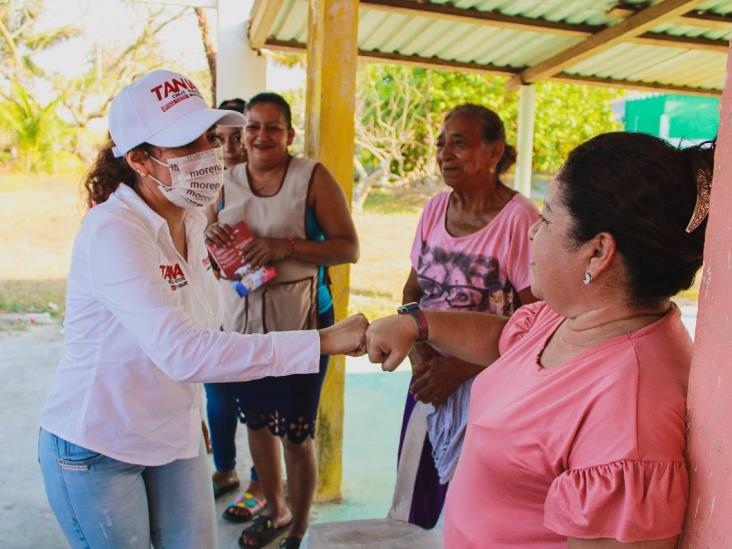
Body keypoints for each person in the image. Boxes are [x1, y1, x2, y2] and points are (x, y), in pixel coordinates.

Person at [37, 69, 367, 549]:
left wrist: (189, 411)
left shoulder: (193, 221)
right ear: (139, 160)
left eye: (206, 138)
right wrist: (322, 340)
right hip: (98, 446)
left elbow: (199, 323)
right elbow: (185, 351)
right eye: (184, 145)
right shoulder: (114, 232)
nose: (207, 156)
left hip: (171, 435)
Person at [366, 131, 713, 547]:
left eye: (547, 218)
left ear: (598, 252)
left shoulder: (628, 414)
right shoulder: (573, 317)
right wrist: (417, 324)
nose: (532, 232)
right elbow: (508, 341)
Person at [204, 92, 359, 548]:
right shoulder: (227, 181)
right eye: (254, 126)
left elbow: (348, 247)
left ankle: (300, 525)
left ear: (290, 135)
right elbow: (214, 262)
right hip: (245, 329)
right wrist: (215, 245)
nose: (261, 136)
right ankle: (275, 509)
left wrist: (284, 246)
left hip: (302, 326)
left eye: (273, 127)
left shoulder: (311, 177)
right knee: (256, 424)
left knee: (295, 433)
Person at [399, 104, 538, 527]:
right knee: (414, 500)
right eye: (441, 143)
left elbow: (535, 324)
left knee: (470, 509)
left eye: (459, 143)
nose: (445, 153)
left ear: (495, 152)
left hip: (487, 387)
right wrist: (419, 355)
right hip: (427, 379)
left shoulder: (519, 219)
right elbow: (411, 293)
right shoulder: (434, 210)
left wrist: (457, 369)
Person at [202, 97, 269, 514]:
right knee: (219, 395)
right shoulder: (205, 186)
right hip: (216, 308)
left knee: (260, 401)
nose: (227, 148)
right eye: (217, 139)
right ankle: (224, 469)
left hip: (264, 309)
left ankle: (262, 484)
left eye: (235, 138)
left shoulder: (266, 184)